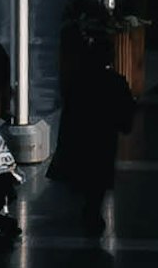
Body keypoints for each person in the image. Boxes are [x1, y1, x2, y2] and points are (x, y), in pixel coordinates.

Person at [53, 15, 135, 242]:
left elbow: (69, 113)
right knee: (98, 178)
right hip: (104, 139)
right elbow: (125, 112)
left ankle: (89, 210)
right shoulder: (115, 82)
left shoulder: (79, 81)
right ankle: (92, 210)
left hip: (83, 138)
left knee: (86, 177)